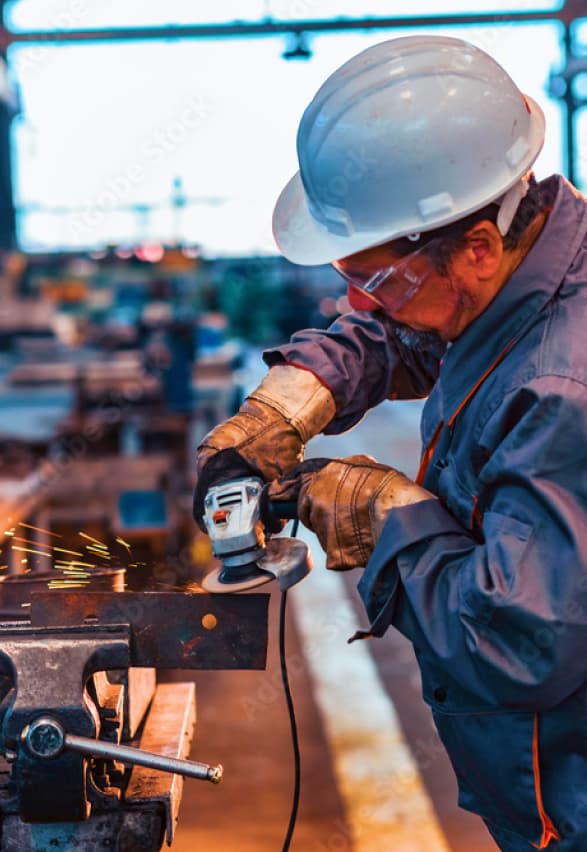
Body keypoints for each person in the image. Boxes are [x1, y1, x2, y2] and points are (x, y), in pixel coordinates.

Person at [194, 35, 587, 851]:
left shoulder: (561, 390)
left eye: (373, 279)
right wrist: (286, 405)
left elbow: (514, 643)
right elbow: (403, 334)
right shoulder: (520, 263)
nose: (354, 298)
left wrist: (384, 515)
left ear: (477, 246)